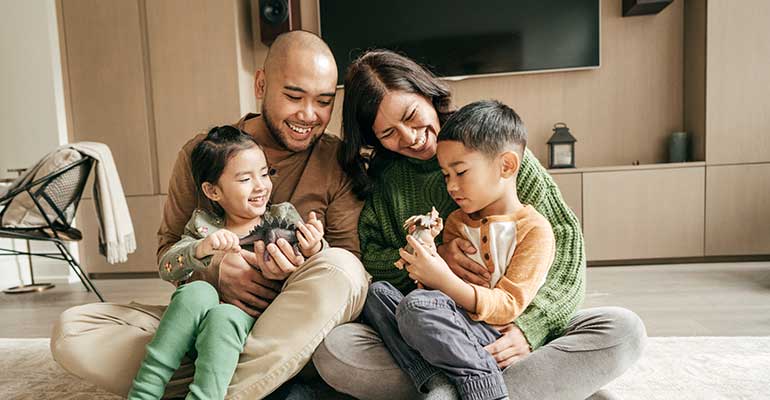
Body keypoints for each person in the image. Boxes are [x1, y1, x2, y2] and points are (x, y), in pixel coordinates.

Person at [50, 31, 369, 400]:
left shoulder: (338, 160)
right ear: (262, 84)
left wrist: (303, 261)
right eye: (294, 96)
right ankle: (251, 376)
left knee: (342, 269)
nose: (309, 115)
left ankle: (210, 386)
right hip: (212, 316)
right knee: (73, 331)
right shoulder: (203, 155)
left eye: (324, 102)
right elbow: (168, 251)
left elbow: (349, 271)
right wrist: (215, 269)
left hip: (294, 320)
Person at [312, 49, 646, 400]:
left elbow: (564, 245)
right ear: (373, 139)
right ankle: (522, 386)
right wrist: (432, 259)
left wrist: (528, 330)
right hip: (432, 331)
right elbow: (370, 263)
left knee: (624, 330)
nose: (410, 137)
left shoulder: (493, 149)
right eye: (388, 133)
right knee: (335, 349)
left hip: (508, 329)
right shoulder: (385, 181)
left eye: (411, 116)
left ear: (427, 94)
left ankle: (453, 390)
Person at [364, 100, 556, 400]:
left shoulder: (534, 230)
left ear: (506, 166)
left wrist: (443, 280)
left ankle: (485, 387)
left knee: (416, 308)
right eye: (445, 176)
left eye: (461, 172)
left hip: (492, 334)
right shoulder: (455, 222)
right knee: (377, 295)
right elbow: (433, 295)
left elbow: (507, 305)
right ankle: (436, 381)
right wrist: (427, 252)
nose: (451, 187)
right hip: (447, 325)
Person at [127, 126, 326, 400]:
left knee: (225, 316)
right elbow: (167, 266)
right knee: (197, 291)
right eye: (245, 179)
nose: (261, 186)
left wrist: (315, 245)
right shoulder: (203, 226)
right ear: (212, 191)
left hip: (251, 331)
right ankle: (145, 391)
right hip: (193, 331)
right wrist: (200, 249)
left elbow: (316, 269)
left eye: (265, 173)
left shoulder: (283, 217)